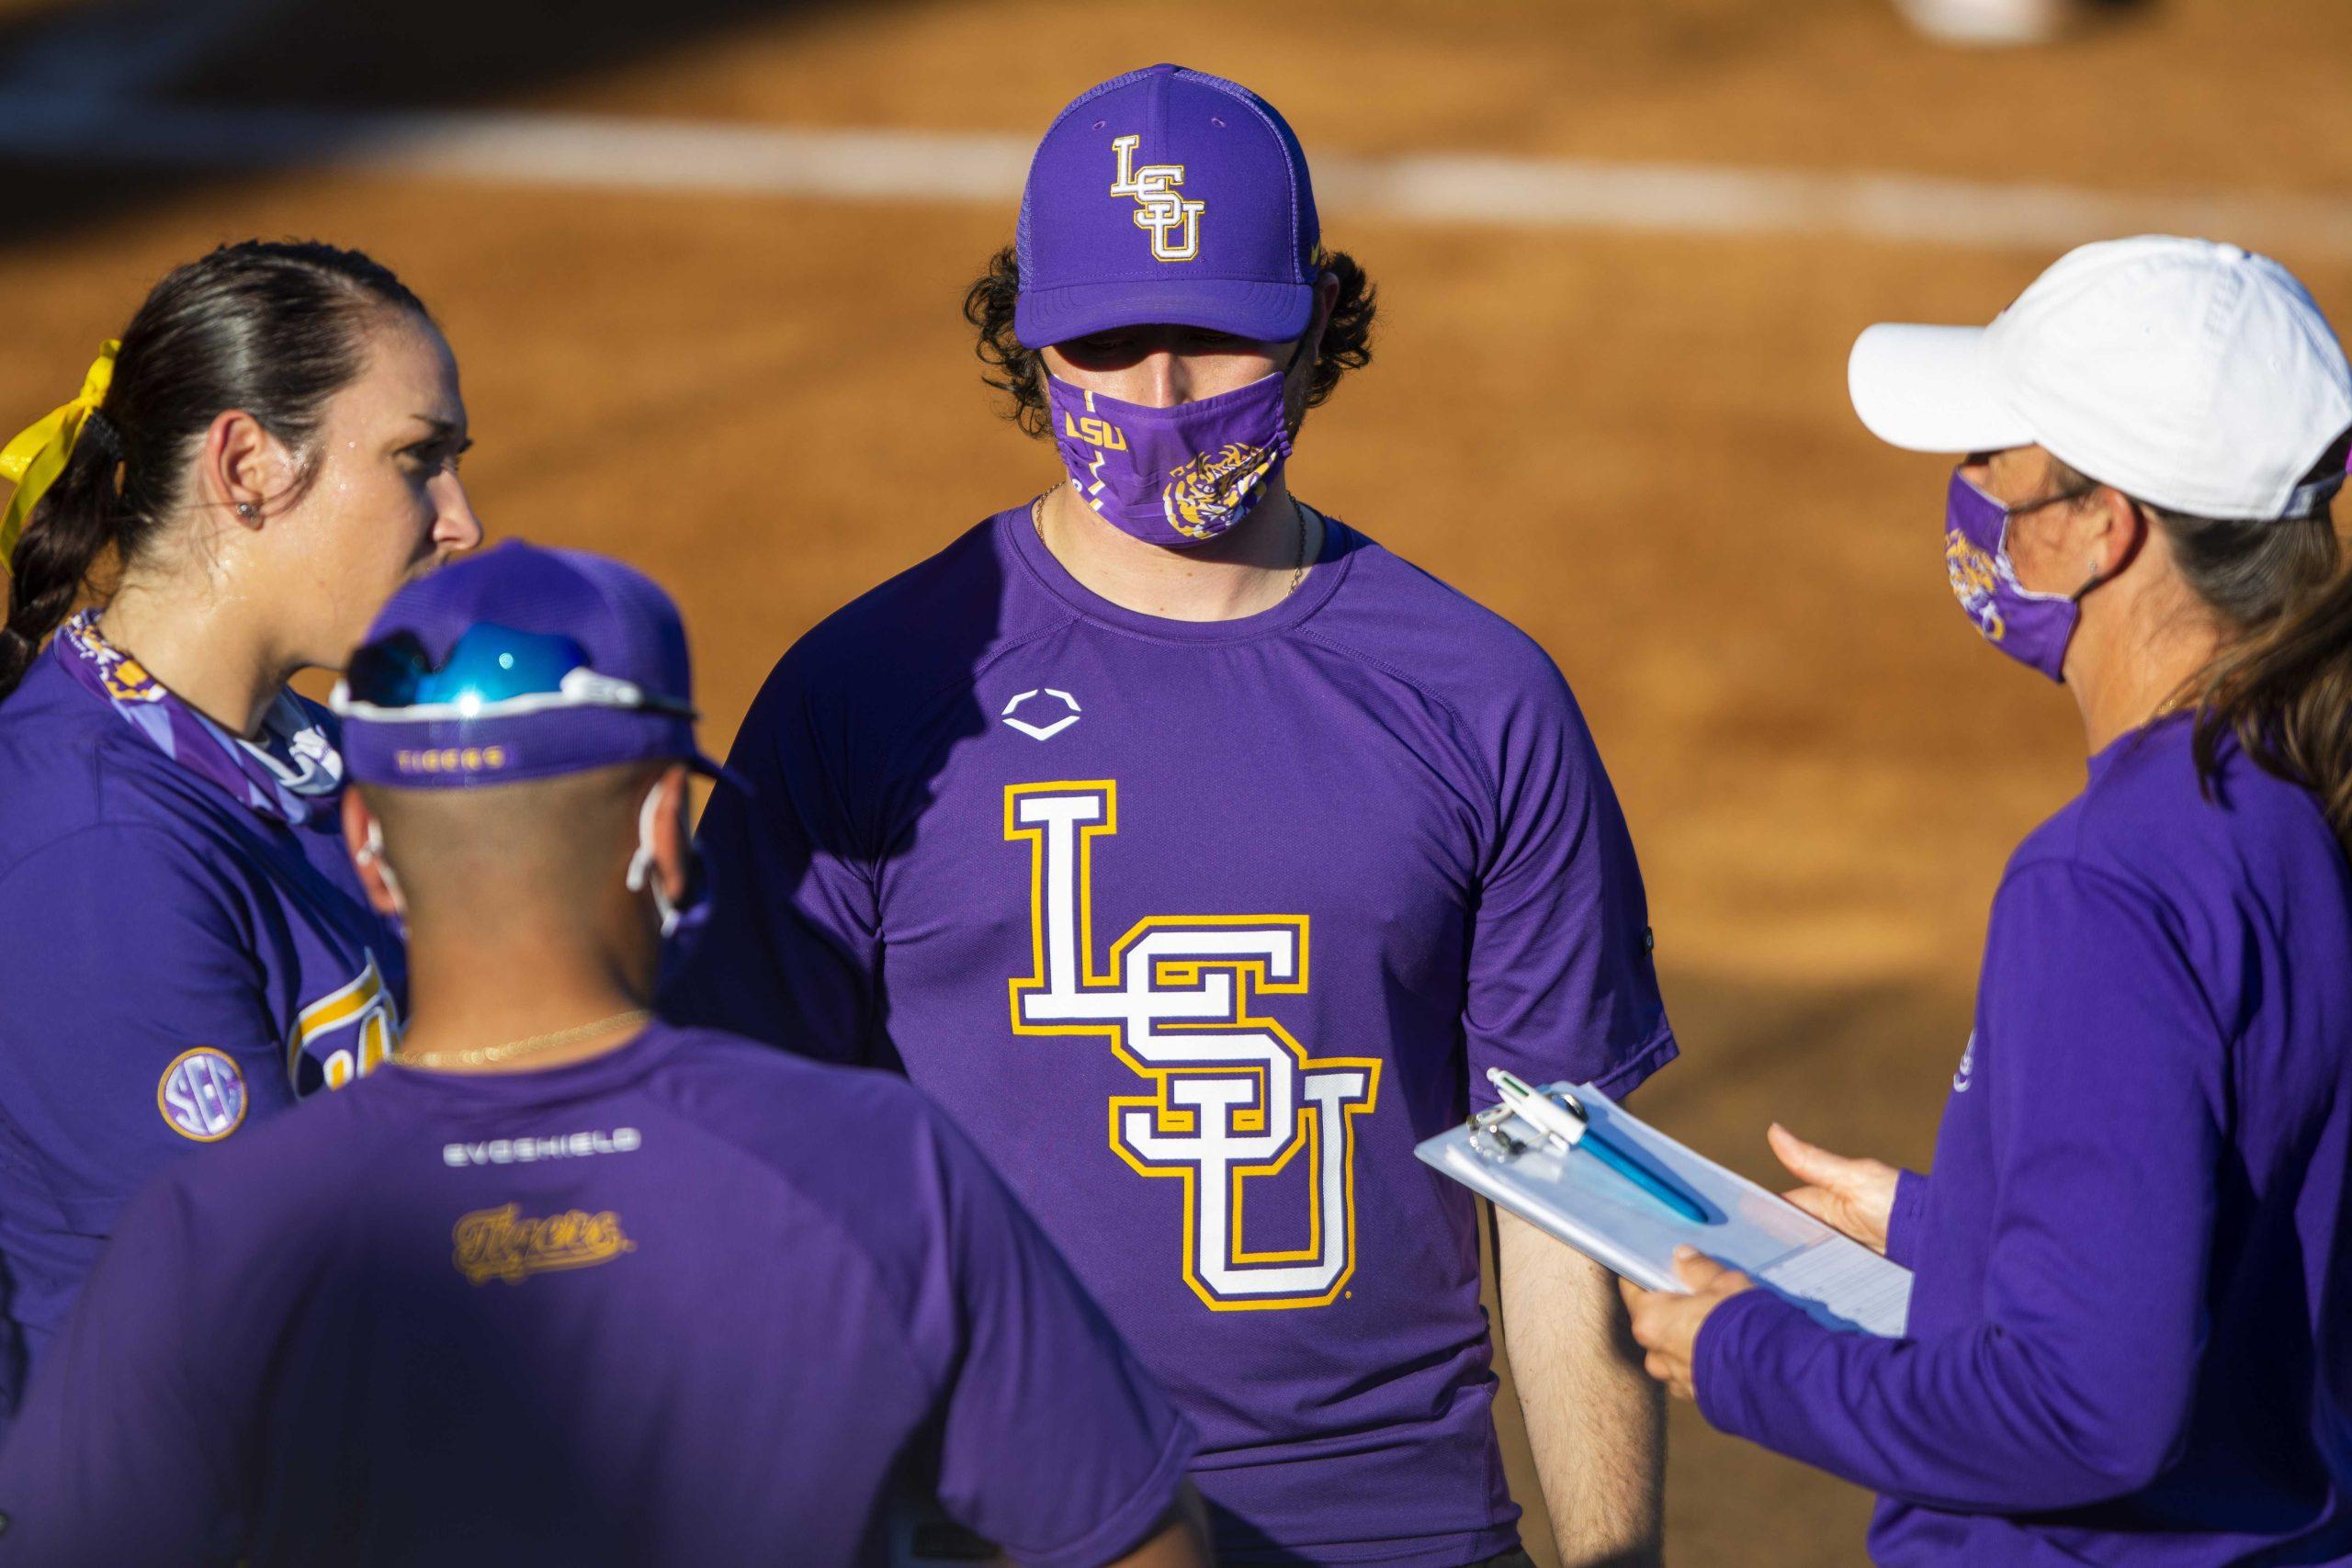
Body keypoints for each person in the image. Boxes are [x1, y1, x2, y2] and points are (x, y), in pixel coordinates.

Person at [667, 62, 1677, 1566]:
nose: (1159, 396)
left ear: (1318, 327)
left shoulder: (1480, 698)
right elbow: (757, 1177)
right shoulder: (870, 695)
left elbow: (1558, 1205)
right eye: (1108, 342)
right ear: (1029, 337)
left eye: (1213, 338)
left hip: (1393, 1532)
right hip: (1005, 1526)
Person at [0, 541, 1206, 1568]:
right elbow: (1132, 1538)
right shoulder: (883, 1171)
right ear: (660, 834)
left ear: (367, 845)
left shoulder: (215, 1228)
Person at [1623, 236, 2352, 1563]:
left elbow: (2084, 1413)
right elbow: (2262, 1240)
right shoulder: (2305, 809)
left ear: (2102, 527)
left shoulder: (2106, 882)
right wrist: (1946, 1230)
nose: (1964, 498)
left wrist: (1745, 1356)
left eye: (1995, 464)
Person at [0, 240, 481, 1434]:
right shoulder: (96, 848)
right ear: (248, 464)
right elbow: (260, 1329)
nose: (461, 523)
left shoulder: (317, 750)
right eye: (420, 460)